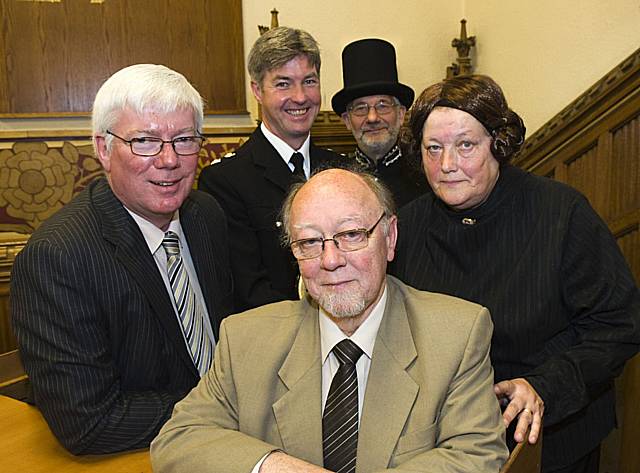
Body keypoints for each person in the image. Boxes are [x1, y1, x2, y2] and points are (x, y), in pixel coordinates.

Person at [151, 168, 508, 473]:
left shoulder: (456, 332)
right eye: (309, 242)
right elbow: (178, 439)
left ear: (390, 237)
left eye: (352, 235)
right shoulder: (245, 339)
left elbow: (476, 456)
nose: (331, 260)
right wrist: (277, 466)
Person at [389, 74, 640, 473]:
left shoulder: (562, 213)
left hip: (552, 438)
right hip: (445, 445)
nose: (447, 165)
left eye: (465, 145)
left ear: (498, 144)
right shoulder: (405, 227)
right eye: (432, 149)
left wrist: (545, 386)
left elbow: (617, 325)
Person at [10, 64, 233, 455]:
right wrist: (227, 404)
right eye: (145, 141)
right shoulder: (57, 257)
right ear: (103, 149)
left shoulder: (205, 214)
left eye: (184, 139)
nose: (169, 160)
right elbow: (90, 423)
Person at [199, 26, 339, 313]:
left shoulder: (342, 170)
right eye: (283, 84)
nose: (300, 97)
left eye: (309, 81)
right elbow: (249, 290)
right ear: (257, 90)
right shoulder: (225, 181)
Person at [332, 38, 428, 208]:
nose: (372, 118)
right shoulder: (334, 181)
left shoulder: (426, 175)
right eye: (361, 108)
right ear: (347, 120)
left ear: (400, 114)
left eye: (383, 105)